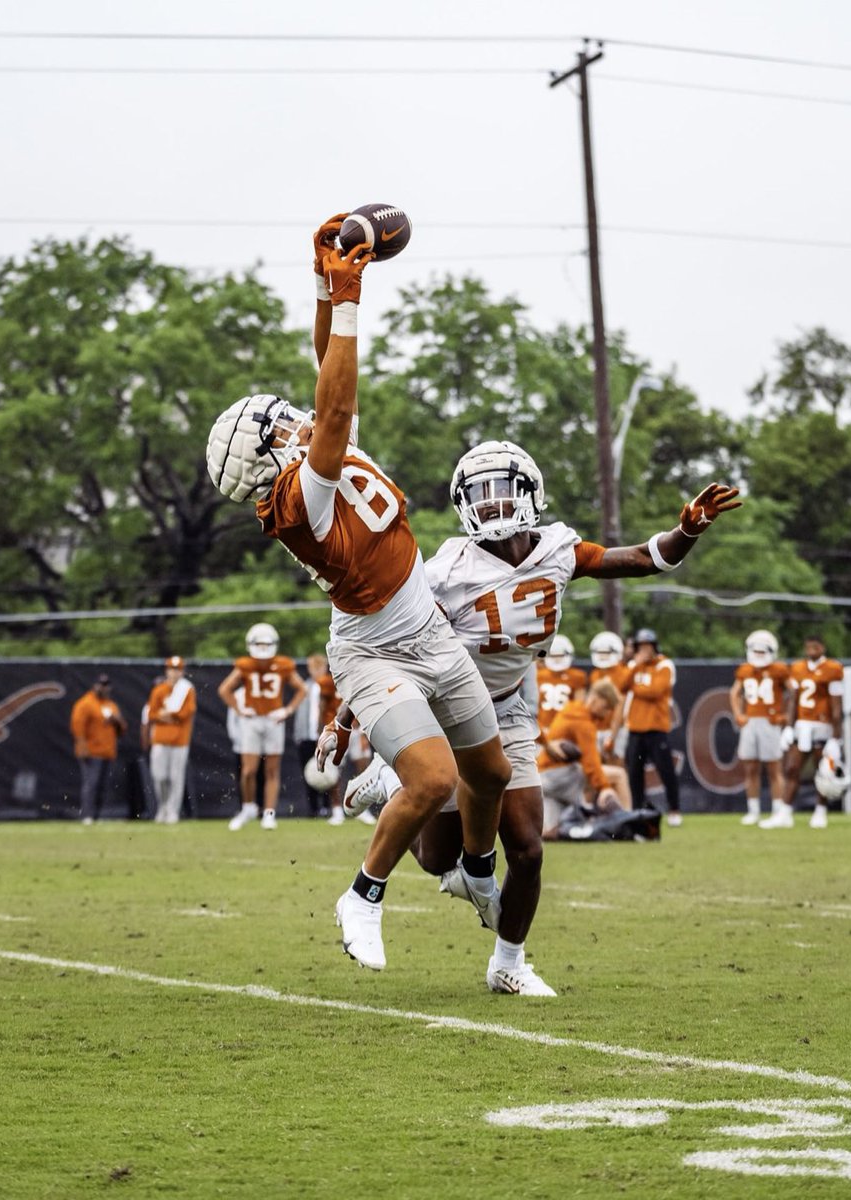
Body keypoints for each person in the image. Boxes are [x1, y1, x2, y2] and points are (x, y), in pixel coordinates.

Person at [206, 214, 512, 972]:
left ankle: (474, 873)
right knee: (435, 778)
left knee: (492, 775)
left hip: (427, 627)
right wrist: (350, 299)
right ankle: (363, 894)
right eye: (276, 423)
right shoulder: (296, 498)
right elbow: (335, 408)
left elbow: (325, 372)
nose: (291, 415)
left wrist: (324, 281)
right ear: (265, 458)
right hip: (375, 647)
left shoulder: (306, 449)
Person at [332, 440, 740, 993]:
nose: (495, 505)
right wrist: (346, 716)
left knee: (527, 846)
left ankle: (509, 963)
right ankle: (391, 783)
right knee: (436, 859)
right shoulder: (446, 567)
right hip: (447, 711)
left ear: (531, 493)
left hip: (509, 710)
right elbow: (390, 643)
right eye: (482, 494)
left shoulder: (558, 548)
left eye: (504, 491)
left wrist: (688, 529)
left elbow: (643, 558)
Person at [217, 623, 307, 832]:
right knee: (248, 770)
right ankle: (248, 808)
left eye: (266, 643)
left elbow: (302, 689)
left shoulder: (283, 664)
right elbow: (224, 690)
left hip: (273, 720)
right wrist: (240, 709)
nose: (263, 648)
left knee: (272, 770)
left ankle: (269, 813)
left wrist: (287, 710)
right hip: (253, 720)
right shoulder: (245, 665)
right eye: (259, 643)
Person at [760, 634, 844, 830]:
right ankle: (785, 813)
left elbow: (837, 706)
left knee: (822, 772)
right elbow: (792, 701)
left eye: (815, 647)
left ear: (822, 647)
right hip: (802, 725)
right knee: (792, 768)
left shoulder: (833, 669)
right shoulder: (797, 668)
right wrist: (788, 726)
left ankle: (820, 811)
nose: (811, 651)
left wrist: (836, 737)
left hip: (822, 725)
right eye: (808, 647)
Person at [537, 679, 630, 839]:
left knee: (553, 832)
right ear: (595, 698)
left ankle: (576, 817)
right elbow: (591, 763)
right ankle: (629, 822)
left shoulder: (571, 708)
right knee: (618, 774)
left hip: (544, 780)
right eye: (606, 706)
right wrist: (604, 788)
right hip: (559, 776)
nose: (608, 713)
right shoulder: (583, 722)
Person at [611, 628, 683, 826]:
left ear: (654, 646)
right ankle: (638, 810)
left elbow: (656, 691)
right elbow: (621, 685)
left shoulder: (664, 665)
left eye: (647, 646)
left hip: (656, 728)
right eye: (640, 646)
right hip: (635, 728)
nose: (644, 650)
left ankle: (674, 809)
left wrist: (636, 686)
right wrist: (636, 667)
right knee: (634, 773)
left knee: (666, 770)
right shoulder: (635, 666)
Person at [729, 630, 791, 826]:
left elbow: (794, 692)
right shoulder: (745, 670)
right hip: (751, 722)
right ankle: (753, 810)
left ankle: (778, 812)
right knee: (750, 769)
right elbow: (734, 693)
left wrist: (786, 716)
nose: (759, 655)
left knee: (774, 769)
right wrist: (739, 714)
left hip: (770, 722)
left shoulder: (779, 670)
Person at [146, 656, 197, 825]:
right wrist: (170, 716)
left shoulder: (187, 690)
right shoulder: (159, 690)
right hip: (160, 739)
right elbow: (152, 714)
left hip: (179, 741)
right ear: (166, 670)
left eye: (177, 669)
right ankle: (163, 806)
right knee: (159, 776)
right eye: (171, 669)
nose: (174, 673)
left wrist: (168, 715)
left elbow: (185, 713)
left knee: (176, 777)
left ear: (182, 671)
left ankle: (173, 811)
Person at [69, 674, 127, 824]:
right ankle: (87, 815)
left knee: (103, 787)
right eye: (101, 684)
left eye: (106, 685)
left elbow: (122, 730)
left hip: (108, 752)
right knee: (91, 784)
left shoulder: (111, 705)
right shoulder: (85, 703)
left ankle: (97, 815)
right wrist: (82, 747)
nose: (104, 688)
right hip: (92, 752)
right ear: (94, 685)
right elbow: (77, 726)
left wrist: (117, 721)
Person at [293, 653, 332, 818]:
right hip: (307, 737)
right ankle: (313, 808)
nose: (315, 671)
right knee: (308, 772)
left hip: (324, 736)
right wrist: (299, 734)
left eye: (319, 667)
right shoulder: (305, 687)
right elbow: (301, 714)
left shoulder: (331, 685)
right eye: (312, 668)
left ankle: (329, 807)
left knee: (328, 771)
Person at [535, 634, 588, 752]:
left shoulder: (577, 676)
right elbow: (535, 704)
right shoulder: (539, 674)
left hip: (565, 728)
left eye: (560, 655)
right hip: (544, 727)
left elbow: (579, 706)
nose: (557, 659)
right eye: (554, 655)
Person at [588, 631, 631, 761]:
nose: (603, 656)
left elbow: (620, 706)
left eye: (606, 653)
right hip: (597, 727)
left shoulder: (624, 673)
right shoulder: (595, 674)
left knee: (615, 762)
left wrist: (612, 736)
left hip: (616, 728)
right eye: (601, 653)